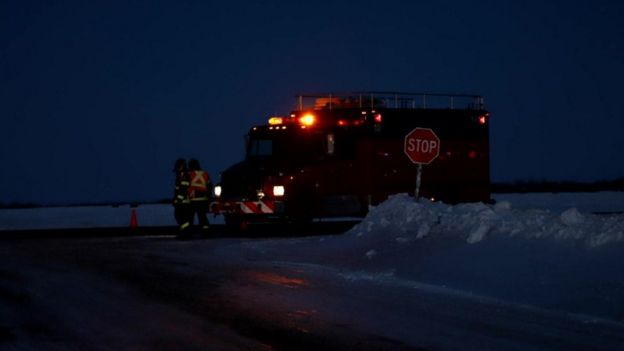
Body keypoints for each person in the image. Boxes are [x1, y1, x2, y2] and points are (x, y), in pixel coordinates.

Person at [186, 158, 211, 232]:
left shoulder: (189, 174)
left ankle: (188, 232)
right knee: (203, 217)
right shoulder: (204, 174)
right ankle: (206, 232)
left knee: (190, 218)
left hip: (192, 200)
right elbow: (209, 186)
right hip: (203, 200)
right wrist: (208, 197)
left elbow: (185, 187)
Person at [172, 158, 191, 231]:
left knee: (181, 218)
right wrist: (175, 199)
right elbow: (178, 189)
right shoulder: (180, 175)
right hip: (181, 202)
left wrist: (178, 199)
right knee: (180, 218)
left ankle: (185, 232)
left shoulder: (184, 175)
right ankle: (184, 232)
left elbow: (183, 188)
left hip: (183, 202)